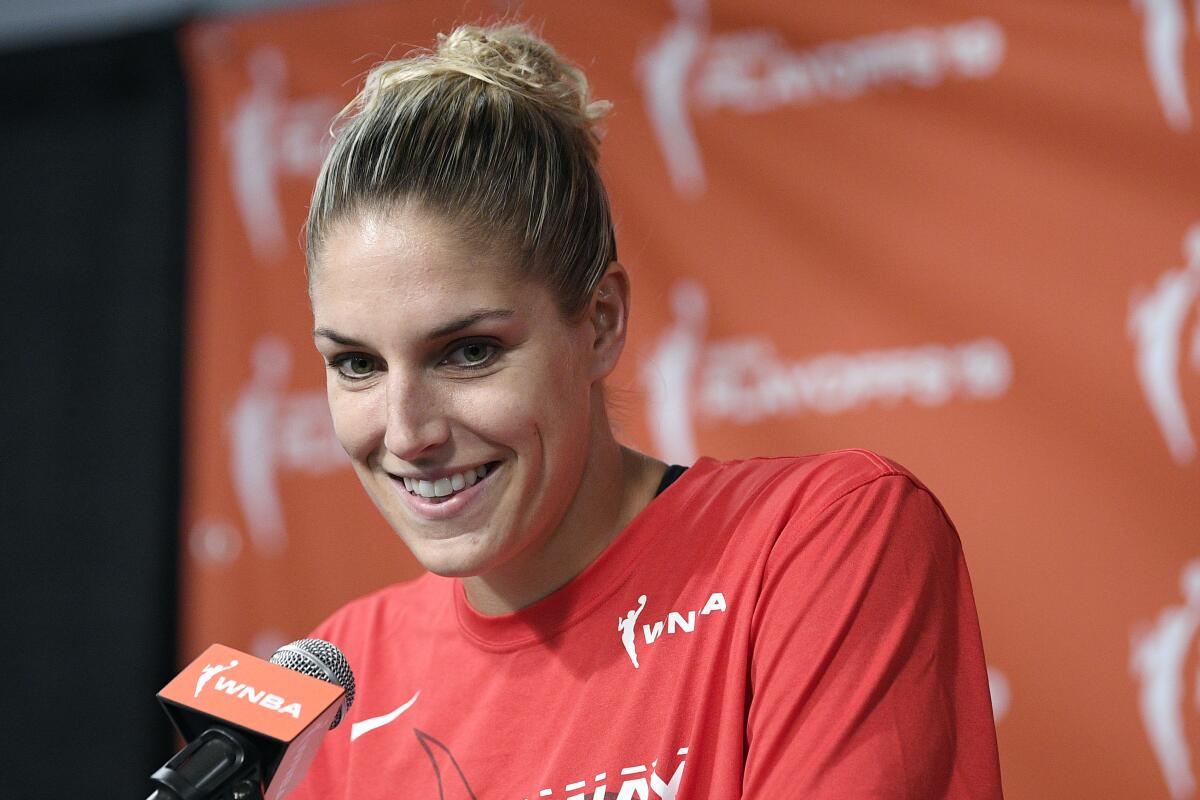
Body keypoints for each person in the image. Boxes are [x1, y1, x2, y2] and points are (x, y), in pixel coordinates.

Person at [293, 23, 1003, 799]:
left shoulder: (819, 541)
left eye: (469, 352)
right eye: (357, 364)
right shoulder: (337, 679)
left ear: (600, 324)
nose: (407, 432)